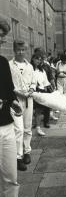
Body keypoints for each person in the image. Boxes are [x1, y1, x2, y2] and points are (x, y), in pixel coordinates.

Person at [0, 17, 31, 197]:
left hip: (6, 126)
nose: (1, 38)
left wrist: (14, 105)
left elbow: (8, 93)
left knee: (11, 176)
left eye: (2, 35)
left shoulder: (1, 62)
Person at [9, 39, 36, 171]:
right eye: (18, 50)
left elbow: (33, 82)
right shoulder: (9, 65)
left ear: (26, 50)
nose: (20, 52)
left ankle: (27, 152)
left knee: (27, 127)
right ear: (14, 50)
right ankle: (18, 157)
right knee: (18, 129)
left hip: (28, 100)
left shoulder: (30, 66)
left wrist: (31, 89)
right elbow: (8, 84)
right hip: (15, 101)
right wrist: (18, 93)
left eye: (23, 50)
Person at [31, 53, 52, 136]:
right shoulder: (30, 69)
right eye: (36, 59)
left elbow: (45, 82)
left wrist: (50, 88)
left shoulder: (42, 70)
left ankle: (38, 128)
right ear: (32, 59)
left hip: (41, 91)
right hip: (32, 91)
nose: (38, 61)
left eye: (40, 59)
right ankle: (30, 127)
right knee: (31, 111)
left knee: (39, 111)